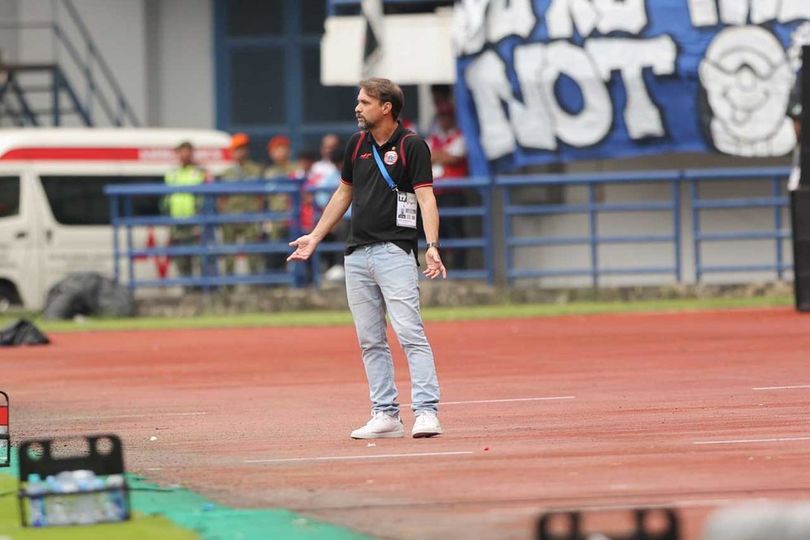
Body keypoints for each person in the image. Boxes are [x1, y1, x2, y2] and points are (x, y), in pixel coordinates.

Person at [287, 77, 446, 439]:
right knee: (370, 339)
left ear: (386, 107)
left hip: (395, 251)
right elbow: (344, 194)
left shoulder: (412, 145)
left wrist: (432, 244)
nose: (357, 108)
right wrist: (315, 236)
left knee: (409, 332)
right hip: (357, 254)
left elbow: (426, 198)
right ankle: (385, 414)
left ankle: (426, 411)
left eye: (364, 102)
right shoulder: (356, 144)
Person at [427, 100, 470, 269]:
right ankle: (438, 267)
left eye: (447, 117)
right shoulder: (434, 138)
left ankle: (460, 268)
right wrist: (442, 155)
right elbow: (425, 155)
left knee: (455, 230)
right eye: (441, 117)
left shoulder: (459, 136)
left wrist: (438, 155)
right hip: (435, 192)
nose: (443, 120)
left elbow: (455, 157)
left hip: (453, 192)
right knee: (437, 232)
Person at [219, 133, 265, 276]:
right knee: (228, 254)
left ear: (247, 150)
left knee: (253, 253)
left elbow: (261, 195)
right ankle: (227, 287)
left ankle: (256, 285)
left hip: (250, 217)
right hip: (230, 218)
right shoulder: (226, 173)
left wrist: (257, 211)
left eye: (242, 148)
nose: (239, 152)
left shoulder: (257, 170)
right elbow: (221, 197)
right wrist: (224, 213)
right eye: (236, 149)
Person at [164, 141, 207, 279]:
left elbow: (205, 196)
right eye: (181, 151)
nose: (184, 154)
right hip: (176, 222)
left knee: (199, 256)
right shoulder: (171, 174)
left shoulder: (199, 172)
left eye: (187, 151)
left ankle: (202, 289)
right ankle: (188, 288)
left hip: (194, 221)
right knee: (181, 257)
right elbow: (166, 199)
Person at [264, 135, 299, 270]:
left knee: (296, 247)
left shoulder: (296, 168)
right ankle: (275, 280)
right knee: (275, 248)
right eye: (275, 149)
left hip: (294, 215)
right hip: (275, 216)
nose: (279, 152)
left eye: (282, 148)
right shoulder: (269, 172)